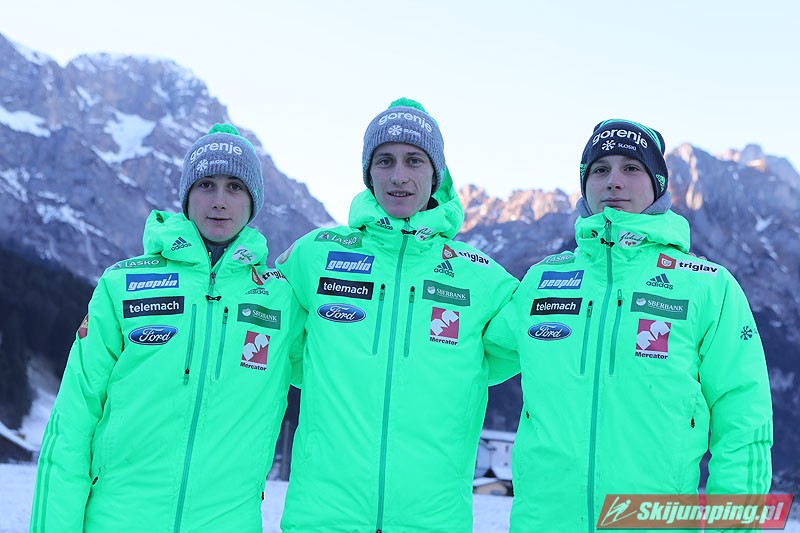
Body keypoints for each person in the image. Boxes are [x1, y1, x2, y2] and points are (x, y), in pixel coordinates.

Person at [484, 119, 773, 531]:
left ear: (657, 184)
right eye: (600, 169)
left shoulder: (708, 286)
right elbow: (465, 358)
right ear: (584, 184)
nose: (614, 181)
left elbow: (743, 416)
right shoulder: (540, 281)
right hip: (545, 521)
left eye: (631, 168)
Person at [29, 124, 304, 532]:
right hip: (118, 521)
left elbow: (349, 379)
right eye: (206, 185)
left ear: (253, 201)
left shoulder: (282, 298)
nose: (219, 200)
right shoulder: (123, 284)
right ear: (187, 195)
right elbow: (73, 419)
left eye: (234, 187)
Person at [276, 98, 519, 532]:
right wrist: (322, 371)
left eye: (414, 160)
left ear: (436, 174)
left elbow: (524, 350)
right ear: (368, 173)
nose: (398, 175)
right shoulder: (314, 255)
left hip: (431, 517)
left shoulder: (483, 278)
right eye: (384, 161)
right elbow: (275, 342)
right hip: (325, 513)